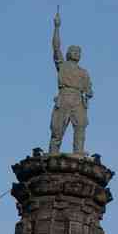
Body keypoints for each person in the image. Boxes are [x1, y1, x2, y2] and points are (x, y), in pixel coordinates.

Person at [49, 9, 93, 155]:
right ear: (68, 54)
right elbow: (56, 47)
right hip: (65, 96)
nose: (76, 53)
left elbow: (89, 90)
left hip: (78, 100)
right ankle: (54, 151)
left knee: (80, 125)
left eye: (78, 52)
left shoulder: (84, 72)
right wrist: (56, 27)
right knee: (58, 128)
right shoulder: (62, 65)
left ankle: (78, 151)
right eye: (73, 51)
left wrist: (88, 94)